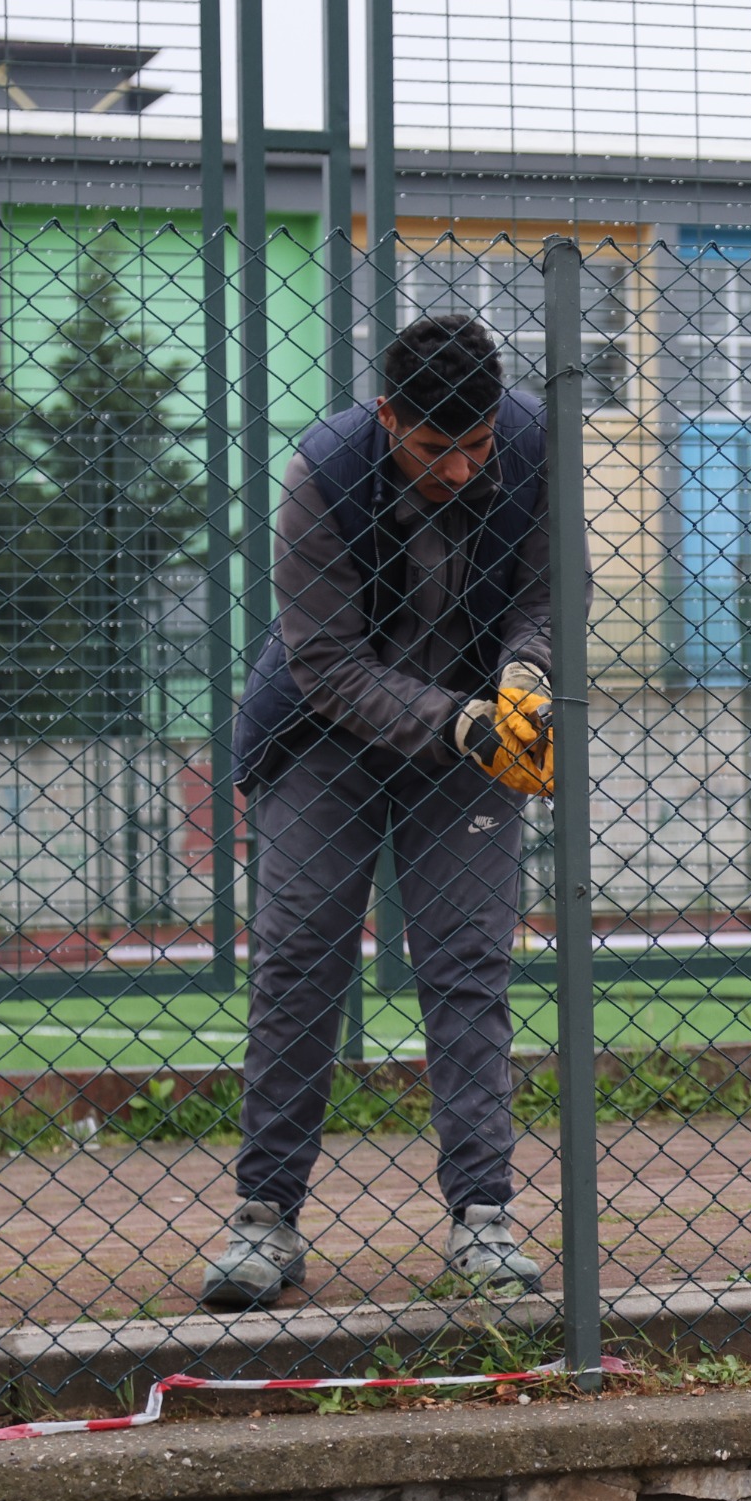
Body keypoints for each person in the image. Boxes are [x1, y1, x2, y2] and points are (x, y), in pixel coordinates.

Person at [201, 312, 560, 1309]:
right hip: (329, 740)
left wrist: (526, 673)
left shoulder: (528, 446)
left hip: (469, 739)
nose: (459, 469)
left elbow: (542, 595)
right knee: (299, 960)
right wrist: (463, 723)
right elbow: (325, 664)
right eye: (435, 447)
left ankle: (483, 1219)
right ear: (388, 414)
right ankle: (263, 1221)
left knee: (467, 966)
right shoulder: (322, 474)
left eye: (476, 445)